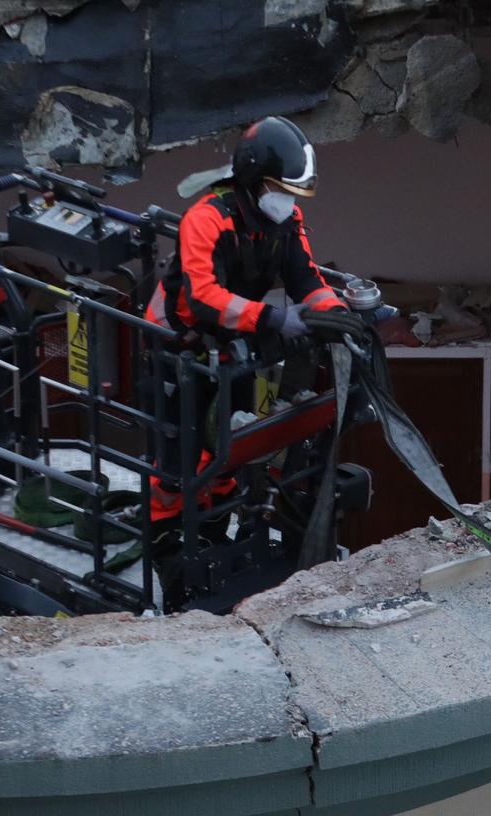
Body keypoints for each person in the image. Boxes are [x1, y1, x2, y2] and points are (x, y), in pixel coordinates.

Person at [144, 116, 361, 600]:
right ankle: (162, 536)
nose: (291, 203)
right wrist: (274, 321)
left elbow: (307, 280)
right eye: (283, 190)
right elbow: (203, 297)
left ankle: (212, 524)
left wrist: (340, 314)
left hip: (230, 347)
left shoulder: (284, 222)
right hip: (177, 344)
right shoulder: (207, 218)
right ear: (253, 178)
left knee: (230, 436)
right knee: (181, 450)